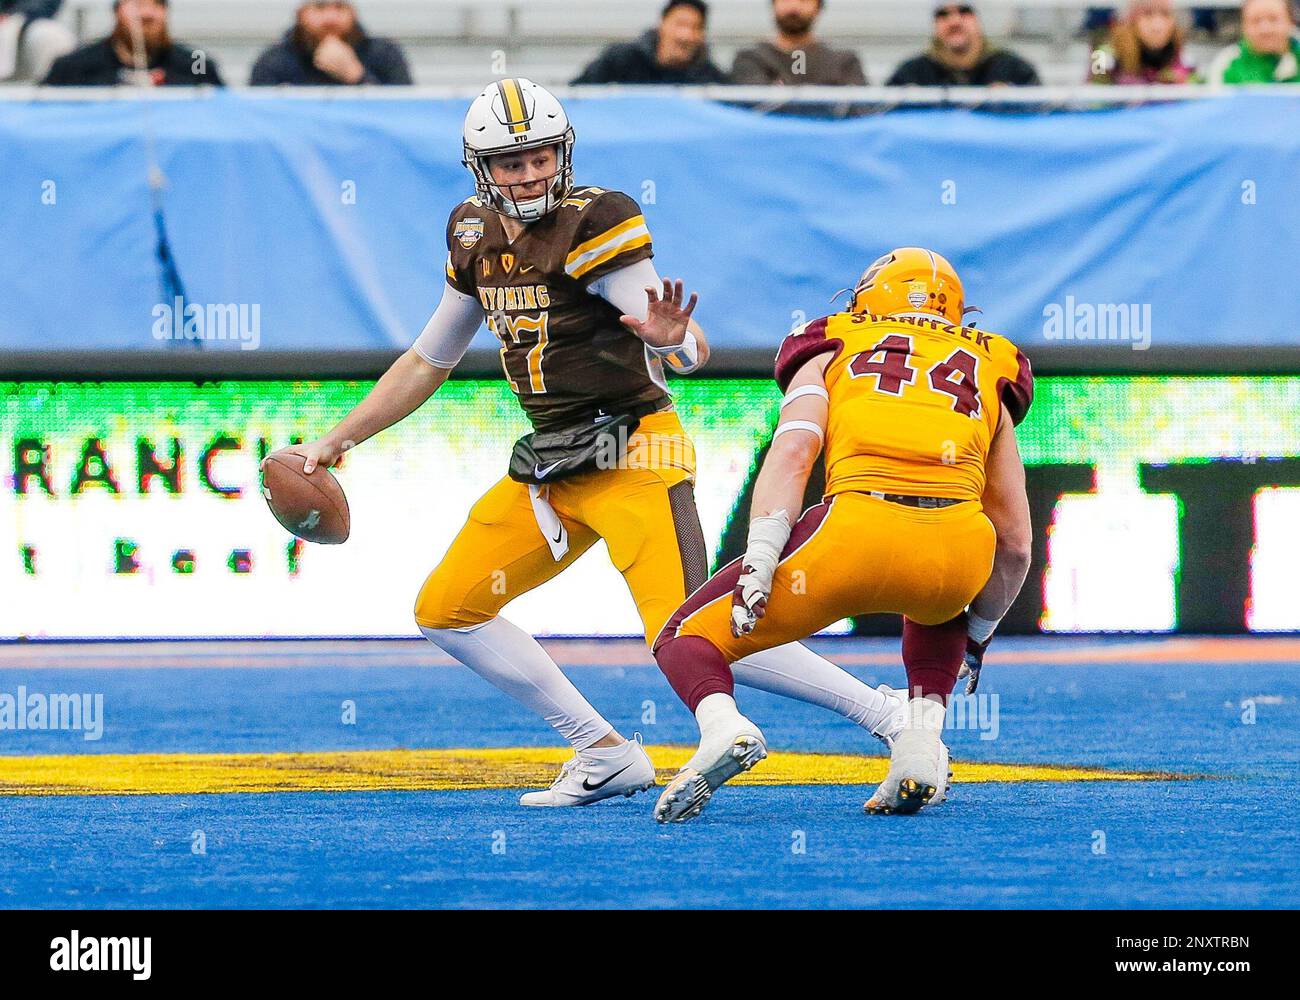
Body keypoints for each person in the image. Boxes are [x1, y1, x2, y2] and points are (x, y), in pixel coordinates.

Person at [286, 79, 915, 808]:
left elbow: (690, 345)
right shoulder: (471, 232)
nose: (528, 176)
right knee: (446, 608)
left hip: (633, 456)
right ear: (479, 169)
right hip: (553, 464)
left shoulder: (595, 221)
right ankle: (603, 751)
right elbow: (431, 358)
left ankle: (885, 714)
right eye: (511, 164)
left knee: (692, 630)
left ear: (565, 154)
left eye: (541, 158)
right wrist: (341, 437)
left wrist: (674, 344)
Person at [651, 248, 1034, 823]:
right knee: (939, 604)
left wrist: (761, 557)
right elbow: (1014, 539)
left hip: (853, 531)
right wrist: (977, 638)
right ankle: (921, 741)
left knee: (683, 638)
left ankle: (723, 728)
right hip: (956, 547)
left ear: (867, 297)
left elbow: (795, 447)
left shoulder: (834, 337)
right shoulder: (994, 362)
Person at [43, 0, 222, 86]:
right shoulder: (74, 67)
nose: (147, 13)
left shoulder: (197, 64)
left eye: (157, 4)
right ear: (116, 11)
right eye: (137, 3)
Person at [250, 0, 410, 86]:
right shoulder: (273, 61)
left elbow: (404, 116)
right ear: (301, 13)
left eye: (340, 7)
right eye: (320, 7)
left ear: (352, 13)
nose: (331, 18)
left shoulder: (384, 55)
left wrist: (358, 77)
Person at [571, 0, 727, 84]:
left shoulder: (710, 78)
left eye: (696, 27)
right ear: (662, 24)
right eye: (680, 24)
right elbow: (579, 95)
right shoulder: (620, 61)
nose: (686, 36)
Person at [888, 3, 1041, 86]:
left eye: (964, 11)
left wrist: (1011, 103)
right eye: (943, 14)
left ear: (979, 19)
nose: (954, 21)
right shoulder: (911, 74)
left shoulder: (1015, 71)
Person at [731, 0, 867, 86]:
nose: (794, 6)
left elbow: (860, 111)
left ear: (818, 7)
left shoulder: (845, 63)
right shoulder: (749, 60)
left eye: (804, 0)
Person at [1089, 0, 1198, 84]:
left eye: (1165, 14)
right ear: (1131, 20)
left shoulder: (1184, 56)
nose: (1157, 26)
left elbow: (1195, 101)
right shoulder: (1102, 55)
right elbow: (1094, 103)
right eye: (1148, 15)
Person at [1205, 0, 1300, 83]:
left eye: (1273, 19)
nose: (1265, 29)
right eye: (1256, 21)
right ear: (1244, 26)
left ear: (1291, 21)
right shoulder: (1225, 64)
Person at [0, 1, 74, 82]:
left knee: (48, 34)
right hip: (10, 17)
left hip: (23, 20)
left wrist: (10, 15)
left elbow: (43, 6)